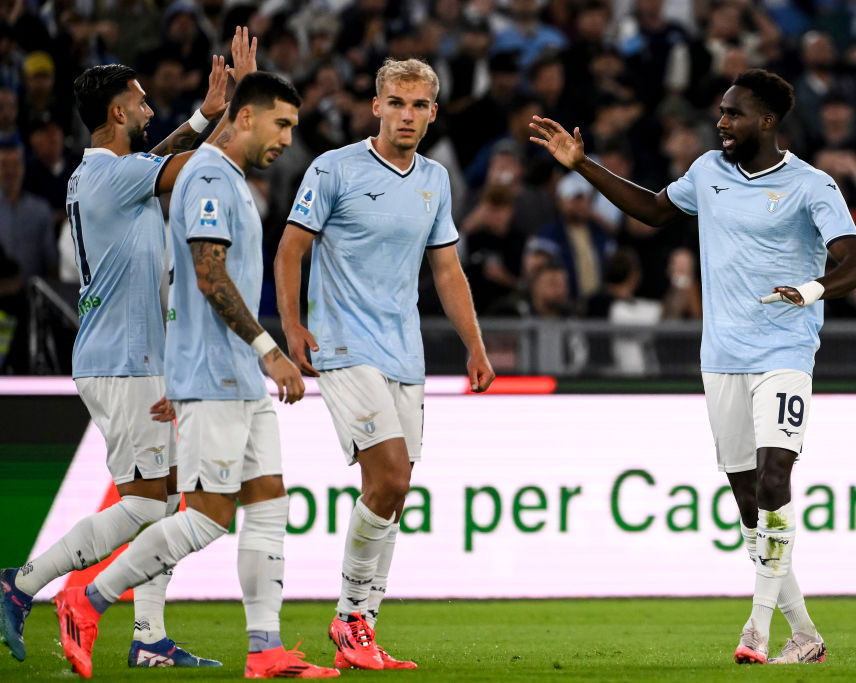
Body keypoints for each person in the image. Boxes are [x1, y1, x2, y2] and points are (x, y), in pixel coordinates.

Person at [530, 68, 856, 665]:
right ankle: (807, 638)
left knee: (773, 480)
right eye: (721, 112)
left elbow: (855, 264)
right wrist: (582, 164)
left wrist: (811, 290)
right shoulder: (708, 172)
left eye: (734, 113)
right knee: (746, 500)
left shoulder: (812, 186)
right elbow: (657, 212)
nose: (721, 123)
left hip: (785, 352)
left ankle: (756, 630)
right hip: (721, 357)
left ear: (767, 120)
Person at [48, 71, 339, 680]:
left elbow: (157, 171)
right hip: (215, 372)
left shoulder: (221, 174)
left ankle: (265, 651)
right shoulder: (207, 175)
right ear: (247, 118)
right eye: (281, 123)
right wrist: (268, 348)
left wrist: (210, 111)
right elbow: (208, 275)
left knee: (267, 506)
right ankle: (86, 598)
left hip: (234, 374)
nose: (288, 138)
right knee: (207, 515)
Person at [0, 27, 259, 669]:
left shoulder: (106, 173)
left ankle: (149, 638)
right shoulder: (114, 178)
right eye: (142, 101)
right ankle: (25, 584)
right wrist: (239, 106)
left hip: (131, 357)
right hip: (122, 360)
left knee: (167, 501)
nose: (150, 110)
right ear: (118, 112)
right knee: (146, 502)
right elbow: (195, 164)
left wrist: (208, 111)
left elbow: (173, 151)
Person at [275, 57, 495, 671]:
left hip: (405, 354)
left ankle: (363, 628)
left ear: (432, 112)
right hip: (343, 347)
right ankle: (348, 617)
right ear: (376, 106)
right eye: (396, 102)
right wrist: (293, 326)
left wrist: (475, 345)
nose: (407, 114)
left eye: (419, 104)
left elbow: (446, 269)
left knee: (391, 494)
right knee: (392, 477)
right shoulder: (334, 168)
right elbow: (291, 249)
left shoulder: (434, 179)